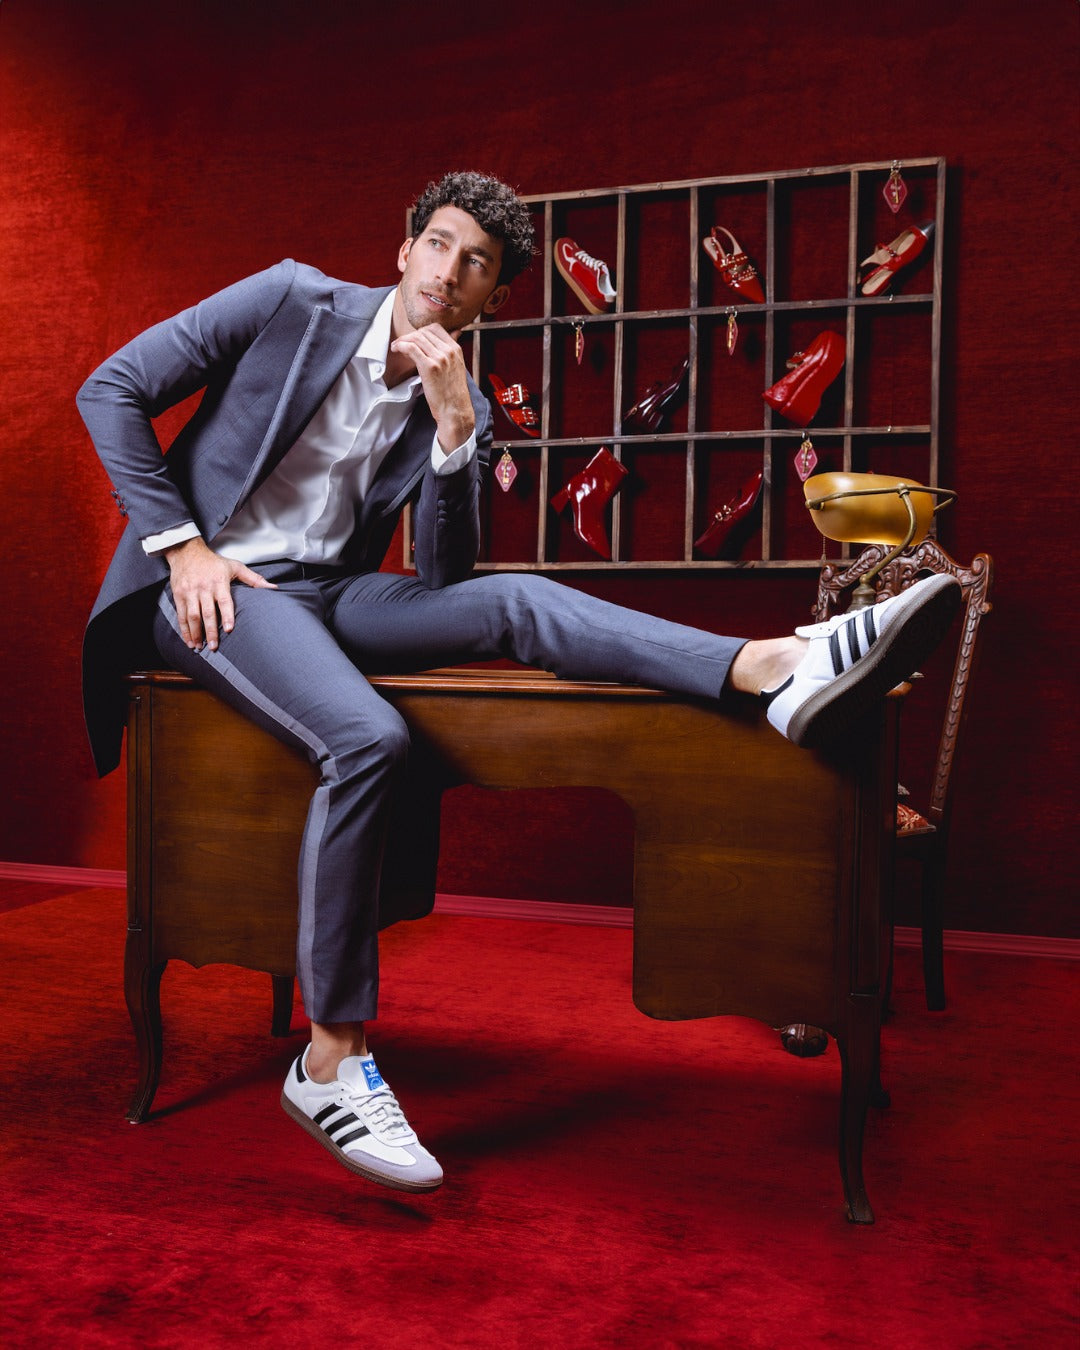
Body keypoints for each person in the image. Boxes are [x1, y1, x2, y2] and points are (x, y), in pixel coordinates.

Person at [78, 171, 960, 1194]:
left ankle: (771, 666)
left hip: (332, 594)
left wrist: (456, 430)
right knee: (367, 739)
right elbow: (112, 387)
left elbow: (445, 583)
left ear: (494, 298)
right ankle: (330, 1058)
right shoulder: (291, 298)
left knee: (518, 601)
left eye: (477, 266)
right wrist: (181, 545)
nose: (449, 273)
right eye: (440, 245)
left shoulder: (459, 391)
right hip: (216, 590)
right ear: (406, 246)